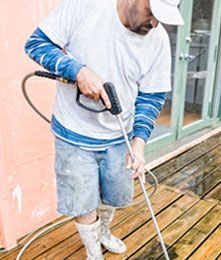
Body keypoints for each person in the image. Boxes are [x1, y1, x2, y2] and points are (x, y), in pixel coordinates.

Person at [25, 0, 183, 259]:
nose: (155, 23)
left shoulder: (159, 39)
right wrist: (78, 71)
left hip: (119, 134)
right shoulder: (84, 6)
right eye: (152, 13)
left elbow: (152, 96)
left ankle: (103, 232)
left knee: (114, 192)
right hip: (72, 131)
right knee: (82, 200)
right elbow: (36, 44)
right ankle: (92, 251)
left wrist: (139, 143)